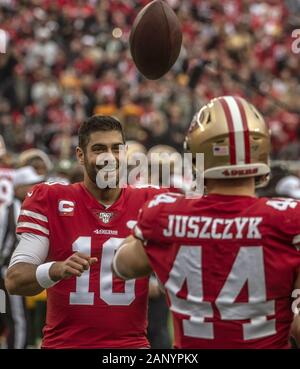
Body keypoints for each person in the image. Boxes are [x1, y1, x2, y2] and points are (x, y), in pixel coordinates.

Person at [113, 96, 300, 349]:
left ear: (197, 155)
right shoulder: (289, 218)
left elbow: (122, 266)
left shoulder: (164, 214)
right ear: (262, 152)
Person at [5, 115, 164, 349]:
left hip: (130, 347)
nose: (109, 158)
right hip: (66, 344)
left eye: (115, 149)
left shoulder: (150, 202)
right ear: (80, 155)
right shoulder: (51, 199)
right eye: (99, 149)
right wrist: (55, 269)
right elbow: (15, 279)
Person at [0, 166, 44, 349]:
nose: (34, 187)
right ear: (18, 187)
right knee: (18, 320)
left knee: (18, 318)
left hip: (19, 271)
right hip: (9, 271)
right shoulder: (10, 210)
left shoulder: (22, 208)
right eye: (30, 184)